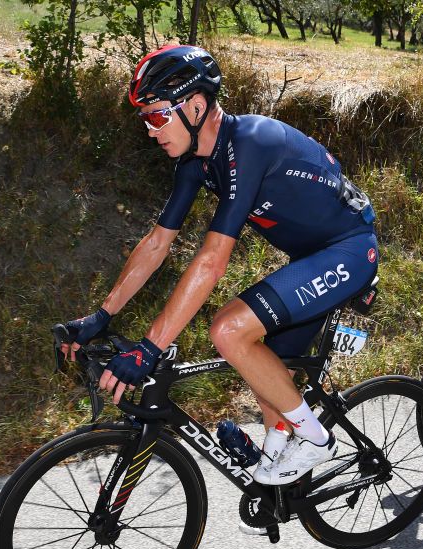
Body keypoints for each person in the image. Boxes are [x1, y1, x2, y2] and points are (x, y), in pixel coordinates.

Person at [55, 45, 379, 486]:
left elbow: (211, 261)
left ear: (195, 105)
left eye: (156, 117)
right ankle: (278, 462)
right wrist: (102, 315)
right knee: (262, 360)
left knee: (227, 329)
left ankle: (315, 439)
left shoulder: (250, 143)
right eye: (145, 120)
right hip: (311, 257)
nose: (151, 132)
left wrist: (150, 347)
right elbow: (156, 245)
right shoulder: (195, 165)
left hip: (349, 249)